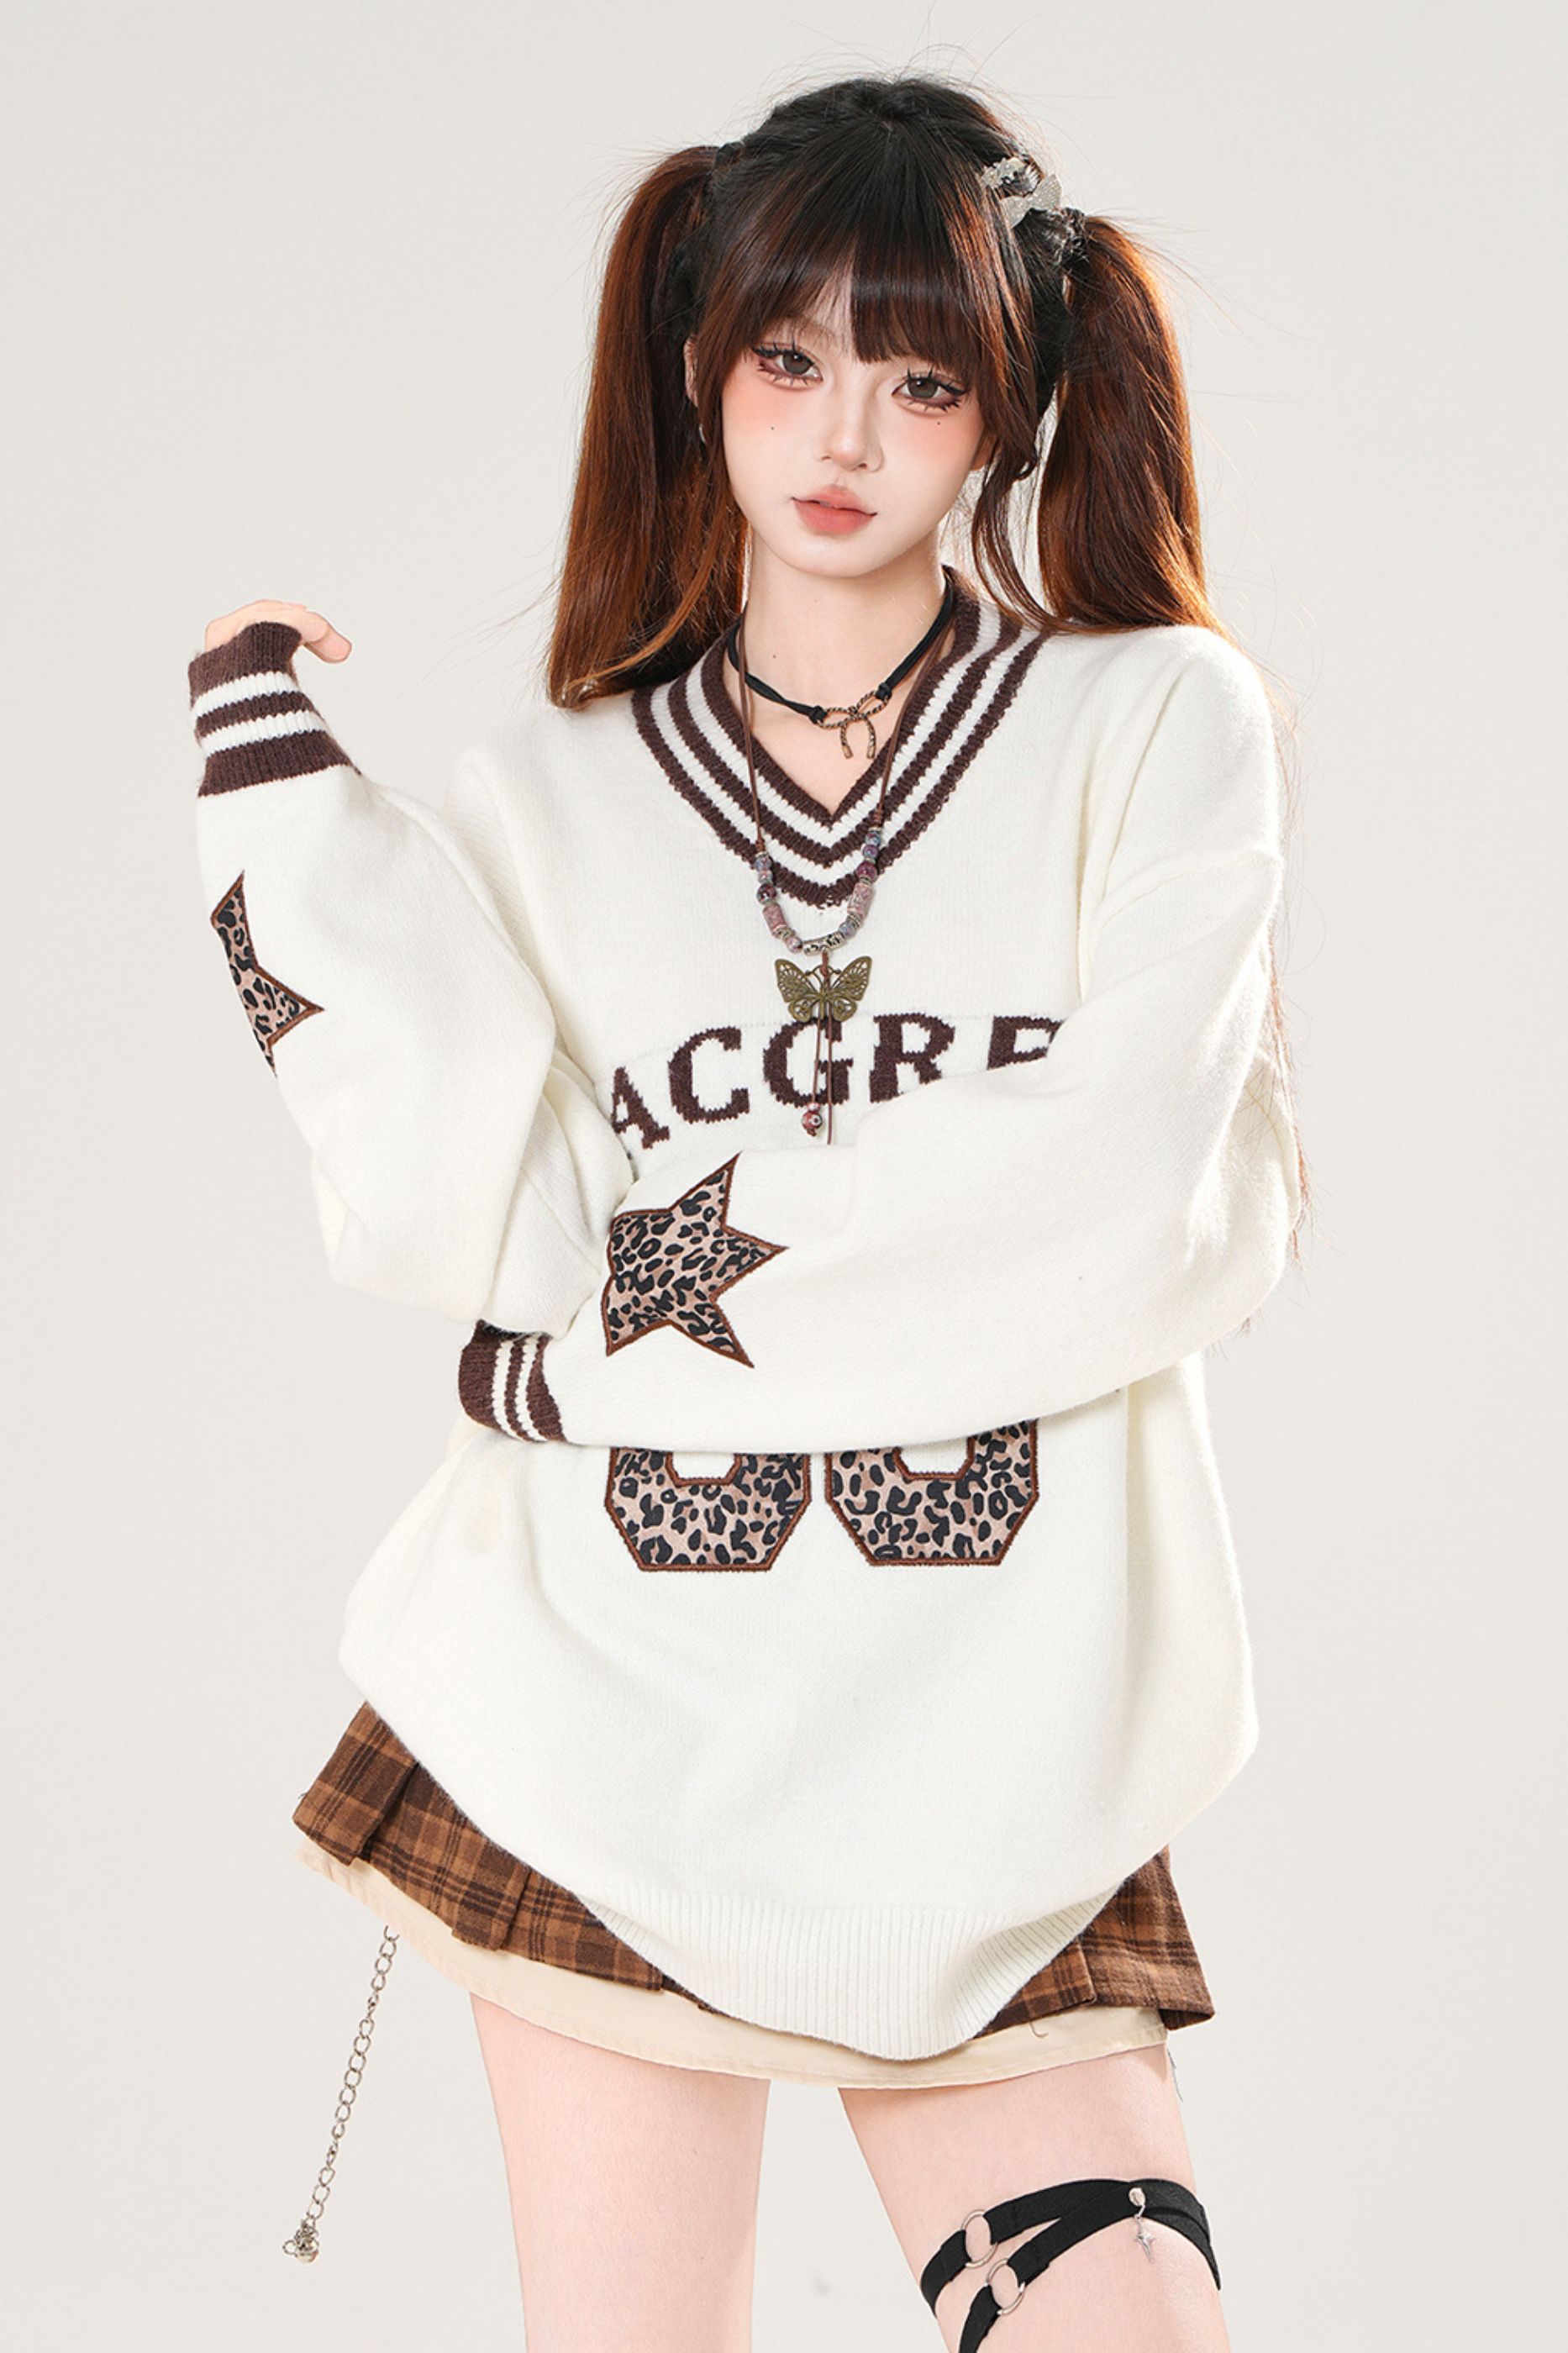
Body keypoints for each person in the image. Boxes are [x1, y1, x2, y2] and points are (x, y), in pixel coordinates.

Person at [187, 70, 1305, 2353]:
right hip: (606, 1715)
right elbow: (458, 1215)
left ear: (1014, 412)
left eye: (924, 378)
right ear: (699, 368)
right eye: (790, 358)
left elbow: (1123, 1203)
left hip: (1007, 1733)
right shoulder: (551, 793)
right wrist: (290, 827)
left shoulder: (1153, 728)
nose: (845, 435)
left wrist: (597, 1357)